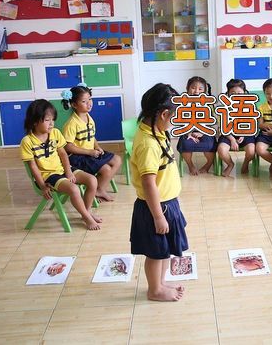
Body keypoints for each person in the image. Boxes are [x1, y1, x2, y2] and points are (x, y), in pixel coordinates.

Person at [130, 83, 189, 301]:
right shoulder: (147, 144)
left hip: (167, 203)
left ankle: (161, 283)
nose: (173, 122)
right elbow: (148, 184)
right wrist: (158, 216)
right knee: (156, 252)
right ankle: (154, 290)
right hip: (155, 207)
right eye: (172, 117)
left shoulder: (156, 131)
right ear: (163, 114)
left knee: (164, 249)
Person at [20, 99, 101, 230]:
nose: (51, 123)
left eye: (53, 120)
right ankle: (87, 217)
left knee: (92, 180)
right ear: (34, 122)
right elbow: (33, 166)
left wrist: (68, 171)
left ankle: (87, 212)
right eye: (47, 120)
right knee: (74, 189)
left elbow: (63, 154)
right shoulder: (27, 141)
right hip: (48, 176)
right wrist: (42, 186)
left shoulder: (55, 133)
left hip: (63, 170)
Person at [61, 84, 122, 202]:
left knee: (117, 160)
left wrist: (97, 147)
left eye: (90, 99)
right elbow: (68, 147)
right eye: (84, 101)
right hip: (78, 157)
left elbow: (91, 136)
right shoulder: (71, 124)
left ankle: (99, 189)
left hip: (91, 153)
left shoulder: (89, 117)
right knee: (106, 169)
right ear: (74, 105)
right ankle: (97, 190)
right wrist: (89, 152)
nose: (89, 103)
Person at [216, 79, 256, 177]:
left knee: (251, 151)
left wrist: (243, 134)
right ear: (228, 94)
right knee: (221, 150)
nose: (236, 95)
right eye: (233, 93)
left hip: (246, 133)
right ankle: (230, 164)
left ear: (245, 93)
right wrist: (232, 139)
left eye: (239, 93)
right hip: (228, 134)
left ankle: (246, 163)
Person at [176, 76, 217, 175]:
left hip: (205, 131)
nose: (196, 91)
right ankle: (191, 166)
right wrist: (189, 133)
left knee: (210, 145)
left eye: (200, 89)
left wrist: (202, 132)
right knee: (185, 144)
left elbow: (213, 122)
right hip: (188, 131)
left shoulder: (208, 103)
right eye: (193, 88)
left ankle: (207, 165)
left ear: (204, 91)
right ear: (187, 88)